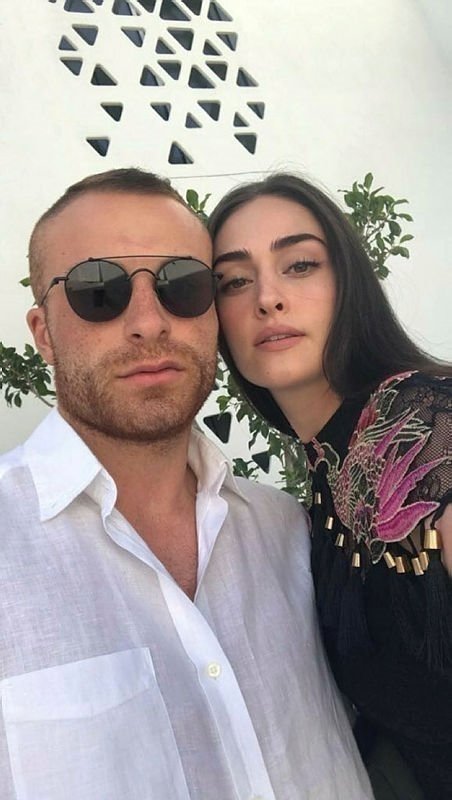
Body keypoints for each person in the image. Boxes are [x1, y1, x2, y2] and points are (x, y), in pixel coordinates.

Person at [0, 168, 372, 800]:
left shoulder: (289, 530)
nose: (149, 322)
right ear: (43, 335)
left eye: (183, 285)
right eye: (99, 290)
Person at [209, 172, 452, 800]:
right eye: (233, 281)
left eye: (299, 265)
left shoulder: (426, 423)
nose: (268, 299)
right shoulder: (323, 475)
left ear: (349, 283)